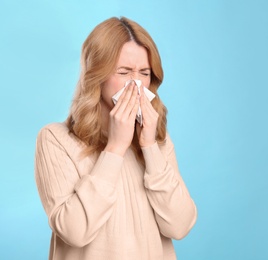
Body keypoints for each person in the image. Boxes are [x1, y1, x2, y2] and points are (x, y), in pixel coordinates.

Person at [34, 17, 197, 260]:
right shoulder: (55, 139)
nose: (136, 84)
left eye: (144, 73)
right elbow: (75, 231)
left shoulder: (158, 140)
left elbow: (180, 226)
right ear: (96, 76)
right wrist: (115, 148)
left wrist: (149, 147)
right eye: (123, 72)